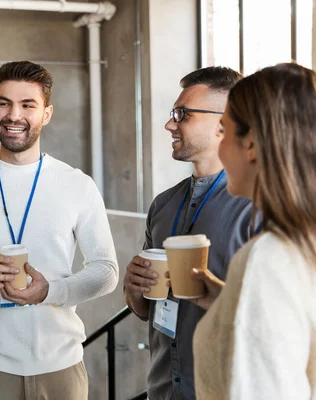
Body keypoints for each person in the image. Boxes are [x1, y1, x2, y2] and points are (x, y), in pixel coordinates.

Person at [0, 61, 118, 399]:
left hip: (62, 367)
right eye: (4, 103)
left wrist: (51, 291)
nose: (13, 115)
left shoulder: (78, 185)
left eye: (27, 105)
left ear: (46, 113)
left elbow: (106, 271)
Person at [122, 66, 253, 399]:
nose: (169, 124)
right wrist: (136, 293)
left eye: (182, 114)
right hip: (163, 389)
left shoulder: (259, 206)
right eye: (173, 113)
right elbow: (147, 309)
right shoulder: (163, 206)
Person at [191, 63, 316, 399]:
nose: (219, 147)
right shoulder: (303, 244)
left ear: (252, 145)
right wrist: (226, 299)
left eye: (225, 129)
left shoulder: (270, 258)